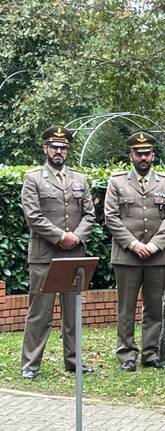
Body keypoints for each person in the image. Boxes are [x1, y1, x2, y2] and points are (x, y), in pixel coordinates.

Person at [20, 126, 96, 379]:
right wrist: (61, 236)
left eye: (63, 148)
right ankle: (30, 364)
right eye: (54, 147)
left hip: (74, 255)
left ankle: (74, 361)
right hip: (44, 255)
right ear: (45, 149)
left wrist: (77, 236)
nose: (59, 151)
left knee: (73, 311)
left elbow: (89, 215)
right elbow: (33, 216)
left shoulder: (80, 179)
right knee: (40, 313)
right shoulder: (33, 178)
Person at [104, 132, 165, 372]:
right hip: (127, 255)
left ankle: (150, 353)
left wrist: (155, 244)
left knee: (154, 307)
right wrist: (134, 244)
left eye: (147, 153)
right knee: (126, 308)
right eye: (139, 153)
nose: (143, 157)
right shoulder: (116, 182)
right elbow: (111, 217)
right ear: (131, 156)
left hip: (158, 255)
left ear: (153, 156)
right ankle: (126, 355)